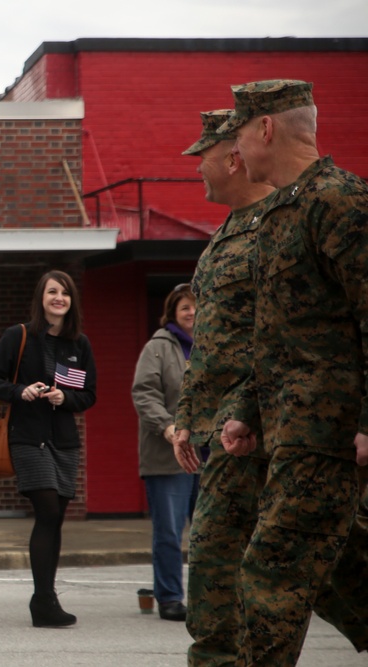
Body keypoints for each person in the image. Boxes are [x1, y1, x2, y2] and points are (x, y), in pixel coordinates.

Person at [218, 79, 368, 665]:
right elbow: (279, 335)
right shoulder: (283, 212)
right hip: (288, 431)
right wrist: (249, 413)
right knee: (341, 568)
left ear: (265, 128)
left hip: (329, 436)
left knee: (270, 574)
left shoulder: (342, 201)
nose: (235, 149)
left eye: (238, 132)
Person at [173, 109, 277, 663]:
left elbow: (284, 339)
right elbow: (212, 347)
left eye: (204, 159)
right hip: (227, 439)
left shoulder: (278, 230)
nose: (198, 172)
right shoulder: (222, 241)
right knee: (213, 568)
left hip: (270, 432)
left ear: (233, 158)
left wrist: (246, 411)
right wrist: (188, 417)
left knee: (326, 568)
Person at [0, 269, 97, 627]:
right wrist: (21, 391)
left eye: (64, 293)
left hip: (64, 440)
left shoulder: (80, 344)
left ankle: (45, 598)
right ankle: (43, 599)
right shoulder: (19, 335)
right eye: (51, 292)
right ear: (41, 299)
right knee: (47, 511)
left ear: (71, 301)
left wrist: (67, 398)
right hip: (28, 437)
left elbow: (89, 395)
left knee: (56, 517)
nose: (58, 298)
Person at [131, 283, 199, 622]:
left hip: (208, 454)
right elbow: (144, 393)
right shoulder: (157, 348)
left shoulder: (214, 346)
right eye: (185, 307)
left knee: (209, 531)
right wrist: (169, 429)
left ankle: (209, 599)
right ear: (173, 311)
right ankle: (171, 597)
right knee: (170, 532)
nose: (192, 312)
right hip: (167, 454)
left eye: (197, 306)